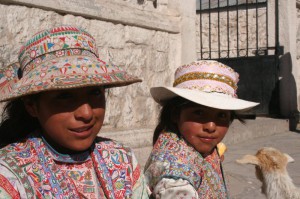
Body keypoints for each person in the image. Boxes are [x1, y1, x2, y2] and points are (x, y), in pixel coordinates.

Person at [0, 25, 149, 198]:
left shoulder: (123, 160)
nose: (86, 113)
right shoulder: (9, 176)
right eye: (64, 96)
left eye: (95, 92)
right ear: (32, 106)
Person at [144, 60, 259, 198]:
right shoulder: (176, 181)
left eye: (221, 115)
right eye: (199, 113)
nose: (211, 126)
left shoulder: (189, 145)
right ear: (175, 114)